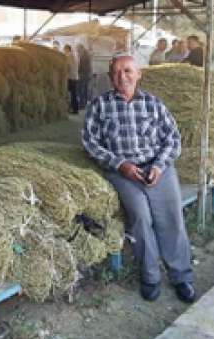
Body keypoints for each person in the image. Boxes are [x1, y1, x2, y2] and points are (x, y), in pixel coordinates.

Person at [82, 53, 195, 303]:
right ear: (110, 77)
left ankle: (181, 276)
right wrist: (120, 164)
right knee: (141, 218)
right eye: (117, 72)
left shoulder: (153, 104)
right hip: (123, 173)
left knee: (171, 218)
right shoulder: (99, 106)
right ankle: (150, 276)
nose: (122, 77)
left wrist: (159, 166)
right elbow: (90, 143)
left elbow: (173, 139)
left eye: (128, 71)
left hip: (157, 169)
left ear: (138, 74)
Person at [64, 44, 80, 114]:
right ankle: (75, 108)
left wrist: (65, 72)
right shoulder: (75, 55)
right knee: (74, 94)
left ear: (67, 49)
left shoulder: (69, 56)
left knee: (69, 94)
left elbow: (68, 66)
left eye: (64, 50)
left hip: (70, 77)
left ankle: (72, 109)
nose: (64, 51)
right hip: (75, 76)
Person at [77, 43, 92, 107]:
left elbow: (81, 65)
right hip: (87, 74)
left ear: (80, 48)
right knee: (85, 89)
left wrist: (77, 71)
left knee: (81, 89)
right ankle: (85, 103)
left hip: (83, 74)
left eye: (77, 49)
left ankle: (82, 104)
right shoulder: (86, 53)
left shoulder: (83, 54)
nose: (77, 50)